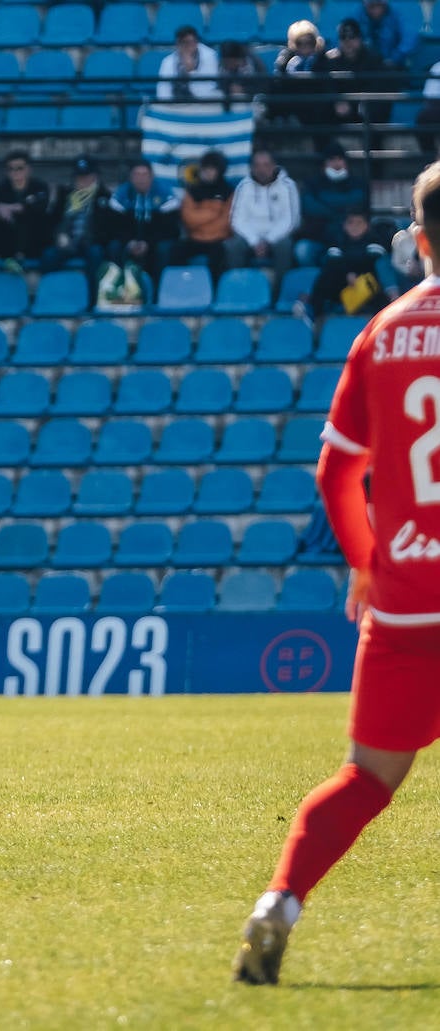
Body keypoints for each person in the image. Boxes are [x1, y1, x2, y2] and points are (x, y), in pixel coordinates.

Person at [232, 159, 440, 985]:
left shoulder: (383, 331)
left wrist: (362, 563)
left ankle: (277, 904)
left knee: (364, 779)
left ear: (417, 241)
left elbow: (334, 473)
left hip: (402, 603)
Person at [292, 206, 398, 327]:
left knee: (378, 267)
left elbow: (372, 259)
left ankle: (390, 310)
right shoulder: (338, 240)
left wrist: (356, 273)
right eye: (351, 223)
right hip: (342, 289)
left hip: (367, 290)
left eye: (359, 223)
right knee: (330, 270)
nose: (355, 227)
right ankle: (312, 312)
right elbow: (332, 260)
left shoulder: (374, 241)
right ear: (344, 225)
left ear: (367, 226)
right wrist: (348, 273)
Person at [98, 158, 180, 282]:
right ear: (131, 177)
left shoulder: (165, 195)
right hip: (129, 242)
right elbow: (114, 227)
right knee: (114, 247)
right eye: (137, 175)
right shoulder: (121, 195)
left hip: (155, 241)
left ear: (151, 176)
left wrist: (148, 243)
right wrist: (129, 243)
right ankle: (117, 288)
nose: (141, 179)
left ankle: (159, 290)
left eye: (144, 175)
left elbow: (171, 229)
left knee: (164, 249)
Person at [226, 147, 300, 280]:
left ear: (273, 166)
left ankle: (278, 294)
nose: (261, 170)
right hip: (250, 238)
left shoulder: (287, 186)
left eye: (266, 165)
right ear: (252, 167)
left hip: (277, 237)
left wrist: (268, 241)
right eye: (257, 165)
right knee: (233, 245)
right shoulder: (244, 186)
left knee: (285, 245)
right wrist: (254, 241)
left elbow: (290, 220)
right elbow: (237, 220)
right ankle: (238, 289)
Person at [0, 149, 54, 275]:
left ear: (28, 169)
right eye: (11, 169)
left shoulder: (39, 186)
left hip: (35, 239)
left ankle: (18, 258)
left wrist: (12, 208)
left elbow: (40, 206)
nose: (15, 172)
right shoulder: (3, 186)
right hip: (9, 237)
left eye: (19, 168)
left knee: (25, 215)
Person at [41, 154, 110, 289]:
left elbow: (107, 229)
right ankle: (52, 295)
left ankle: (93, 299)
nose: (83, 181)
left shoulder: (104, 197)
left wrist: (88, 239)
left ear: (95, 176)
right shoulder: (64, 195)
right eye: (79, 177)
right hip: (66, 243)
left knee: (96, 254)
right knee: (49, 255)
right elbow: (51, 221)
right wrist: (59, 236)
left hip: (90, 243)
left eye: (87, 177)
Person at [296, 141, 367, 266]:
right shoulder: (312, 183)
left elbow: (358, 201)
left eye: (340, 159)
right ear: (324, 164)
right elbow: (309, 207)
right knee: (302, 249)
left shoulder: (357, 182)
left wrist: (324, 200)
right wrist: (341, 209)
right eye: (332, 160)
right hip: (318, 238)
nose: (336, 163)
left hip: (350, 241)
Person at [171, 148, 234, 281]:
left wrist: (202, 220)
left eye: (212, 169)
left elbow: (226, 223)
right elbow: (189, 219)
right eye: (205, 169)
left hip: (219, 240)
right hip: (195, 238)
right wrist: (214, 211)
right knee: (176, 251)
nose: (207, 173)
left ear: (220, 171)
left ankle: (214, 293)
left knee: (219, 256)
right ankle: (179, 288)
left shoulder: (229, 192)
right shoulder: (192, 191)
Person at [317, 17, 390, 125]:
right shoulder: (330, 60)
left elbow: (376, 88)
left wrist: (357, 102)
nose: (347, 41)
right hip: (341, 108)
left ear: (360, 38)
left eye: (352, 37)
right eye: (343, 37)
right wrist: (337, 100)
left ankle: (374, 142)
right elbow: (328, 86)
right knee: (322, 107)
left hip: (366, 104)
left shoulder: (373, 59)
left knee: (374, 108)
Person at [269, 21, 332, 128]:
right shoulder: (285, 62)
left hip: (317, 114)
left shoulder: (323, 61)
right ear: (293, 44)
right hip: (292, 110)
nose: (305, 47)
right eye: (300, 43)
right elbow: (277, 86)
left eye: (309, 42)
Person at [157, 25, 222, 102]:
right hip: (176, 105)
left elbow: (206, 91)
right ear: (178, 44)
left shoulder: (210, 56)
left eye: (192, 42)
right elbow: (163, 92)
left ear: (196, 42)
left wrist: (191, 71)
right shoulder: (167, 61)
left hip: (204, 105)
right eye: (184, 43)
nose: (189, 46)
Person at [356, 0, 416, 70]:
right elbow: (345, 31)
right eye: (372, 6)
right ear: (365, 5)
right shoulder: (358, 13)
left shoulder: (396, 13)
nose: (376, 11)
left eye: (379, 5)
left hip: (393, 66)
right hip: (364, 66)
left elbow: (410, 37)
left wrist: (395, 57)